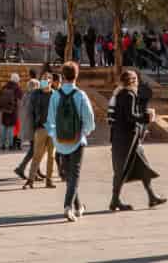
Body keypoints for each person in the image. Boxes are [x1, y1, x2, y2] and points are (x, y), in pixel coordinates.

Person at [108, 68, 166, 211]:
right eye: (136, 79)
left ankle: (152, 196)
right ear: (132, 81)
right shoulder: (128, 95)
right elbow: (130, 116)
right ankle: (115, 200)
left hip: (125, 138)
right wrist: (147, 117)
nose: (137, 82)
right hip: (126, 138)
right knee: (120, 169)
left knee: (143, 167)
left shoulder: (120, 94)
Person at [48, 60, 96, 221]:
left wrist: (55, 136)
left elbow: (50, 120)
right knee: (74, 175)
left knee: (69, 176)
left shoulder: (55, 95)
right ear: (76, 76)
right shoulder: (80, 95)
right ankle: (68, 206)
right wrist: (84, 132)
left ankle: (79, 206)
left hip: (60, 141)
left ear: (63, 76)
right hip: (77, 140)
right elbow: (89, 119)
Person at [0, 72, 24, 149]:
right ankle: (11, 144)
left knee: (5, 127)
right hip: (13, 110)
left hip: (4, 110)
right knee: (11, 128)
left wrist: (1, 107)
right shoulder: (17, 88)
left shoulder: (4, 86)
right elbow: (21, 97)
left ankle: (3, 144)